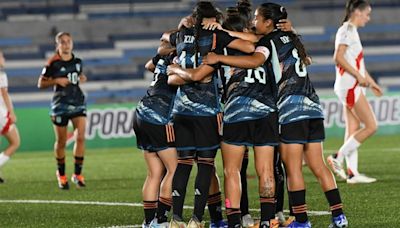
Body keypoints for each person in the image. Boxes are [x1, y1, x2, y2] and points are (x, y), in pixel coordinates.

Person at [204, 3, 349, 228]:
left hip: (286, 111)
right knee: (313, 166)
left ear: (268, 22)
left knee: (287, 170)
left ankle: (299, 221)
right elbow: (305, 60)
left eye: (257, 18)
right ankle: (337, 217)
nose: (253, 22)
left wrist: (219, 56)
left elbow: (254, 58)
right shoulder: (290, 38)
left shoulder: (265, 42)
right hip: (309, 107)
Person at [163, 1, 255, 226]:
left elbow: (163, 43)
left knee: (183, 164)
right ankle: (196, 219)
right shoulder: (215, 37)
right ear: (212, 18)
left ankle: (175, 218)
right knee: (205, 164)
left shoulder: (181, 35)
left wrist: (175, 68)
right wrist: (223, 33)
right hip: (206, 112)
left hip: (181, 111)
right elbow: (250, 48)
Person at [327, 0, 382, 184]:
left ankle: (352, 173)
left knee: (353, 129)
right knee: (371, 126)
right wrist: (359, 77)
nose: (368, 18)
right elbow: (338, 57)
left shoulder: (351, 31)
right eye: (367, 14)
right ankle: (337, 157)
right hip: (349, 85)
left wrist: (371, 83)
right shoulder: (347, 30)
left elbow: (356, 62)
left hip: (350, 84)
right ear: (357, 12)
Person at [133, 44, 178, 227]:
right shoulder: (182, 58)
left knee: (154, 173)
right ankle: (160, 219)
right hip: (160, 115)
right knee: (175, 169)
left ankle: (149, 221)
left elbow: (148, 66)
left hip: (141, 112)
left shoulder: (163, 56)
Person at [38, 32, 87, 190]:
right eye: (63, 42)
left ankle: (77, 174)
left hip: (78, 103)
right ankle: (61, 174)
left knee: (80, 137)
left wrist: (81, 78)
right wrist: (56, 80)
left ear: (72, 43)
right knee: (61, 142)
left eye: (68, 41)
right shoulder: (53, 62)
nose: (66, 44)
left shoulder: (78, 61)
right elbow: (41, 83)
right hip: (60, 106)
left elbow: (78, 76)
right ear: (57, 45)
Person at [0, 51, 21, 183]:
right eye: (1, 56)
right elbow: (4, 94)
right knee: (15, 142)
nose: (4, 58)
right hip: (0, 114)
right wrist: (11, 112)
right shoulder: (1, 74)